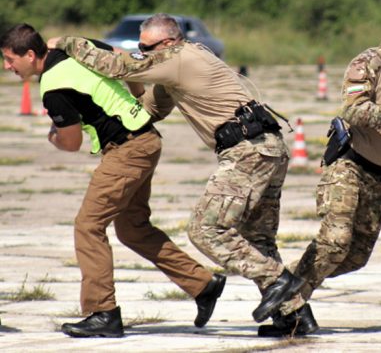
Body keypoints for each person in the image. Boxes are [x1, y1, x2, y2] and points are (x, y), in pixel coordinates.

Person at [51, 13, 303, 325]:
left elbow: (118, 66)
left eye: (147, 48)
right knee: (257, 240)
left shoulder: (178, 58)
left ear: (169, 42)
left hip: (247, 152)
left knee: (205, 230)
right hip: (269, 148)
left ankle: (279, 279)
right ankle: (294, 317)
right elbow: (148, 111)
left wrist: (66, 42)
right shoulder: (182, 64)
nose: (143, 54)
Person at [0, 24, 224, 338]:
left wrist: (53, 136)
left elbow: (71, 141)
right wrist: (134, 99)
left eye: (10, 60)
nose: (7, 67)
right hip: (146, 139)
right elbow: (121, 58)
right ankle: (203, 285)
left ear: (31, 54)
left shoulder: (52, 87)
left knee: (88, 226)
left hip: (127, 151)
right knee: (132, 229)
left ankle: (102, 312)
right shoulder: (74, 49)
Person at [259, 4, 381, 337]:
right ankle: (288, 306)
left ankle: (285, 291)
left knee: (355, 257)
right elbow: (354, 110)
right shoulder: (370, 62)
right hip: (349, 164)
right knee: (335, 242)